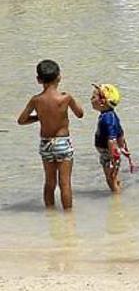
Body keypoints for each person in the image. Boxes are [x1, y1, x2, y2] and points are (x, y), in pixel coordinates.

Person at [16, 60, 85, 210]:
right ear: (59, 77)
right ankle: (68, 217)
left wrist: (39, 117)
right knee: (65, 183)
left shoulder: (36, 100)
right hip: (62, 143)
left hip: (46, 144)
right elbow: (80, 114)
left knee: (49, 181)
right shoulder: (65, 98)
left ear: (38, 80)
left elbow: (21, 120)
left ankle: (50, 214)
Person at [91, 84, 129, 193]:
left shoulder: (107, 119)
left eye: (93, 97)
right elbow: (120, 133)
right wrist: (122, 147)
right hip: (110, 153)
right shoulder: (110, 115)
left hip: (109, 154)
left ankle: (116, 202)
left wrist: (113, 158)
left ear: (102, 102)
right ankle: (118, 192)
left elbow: (112, 139)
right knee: (114, 177)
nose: (91, 99)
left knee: (110, 179)